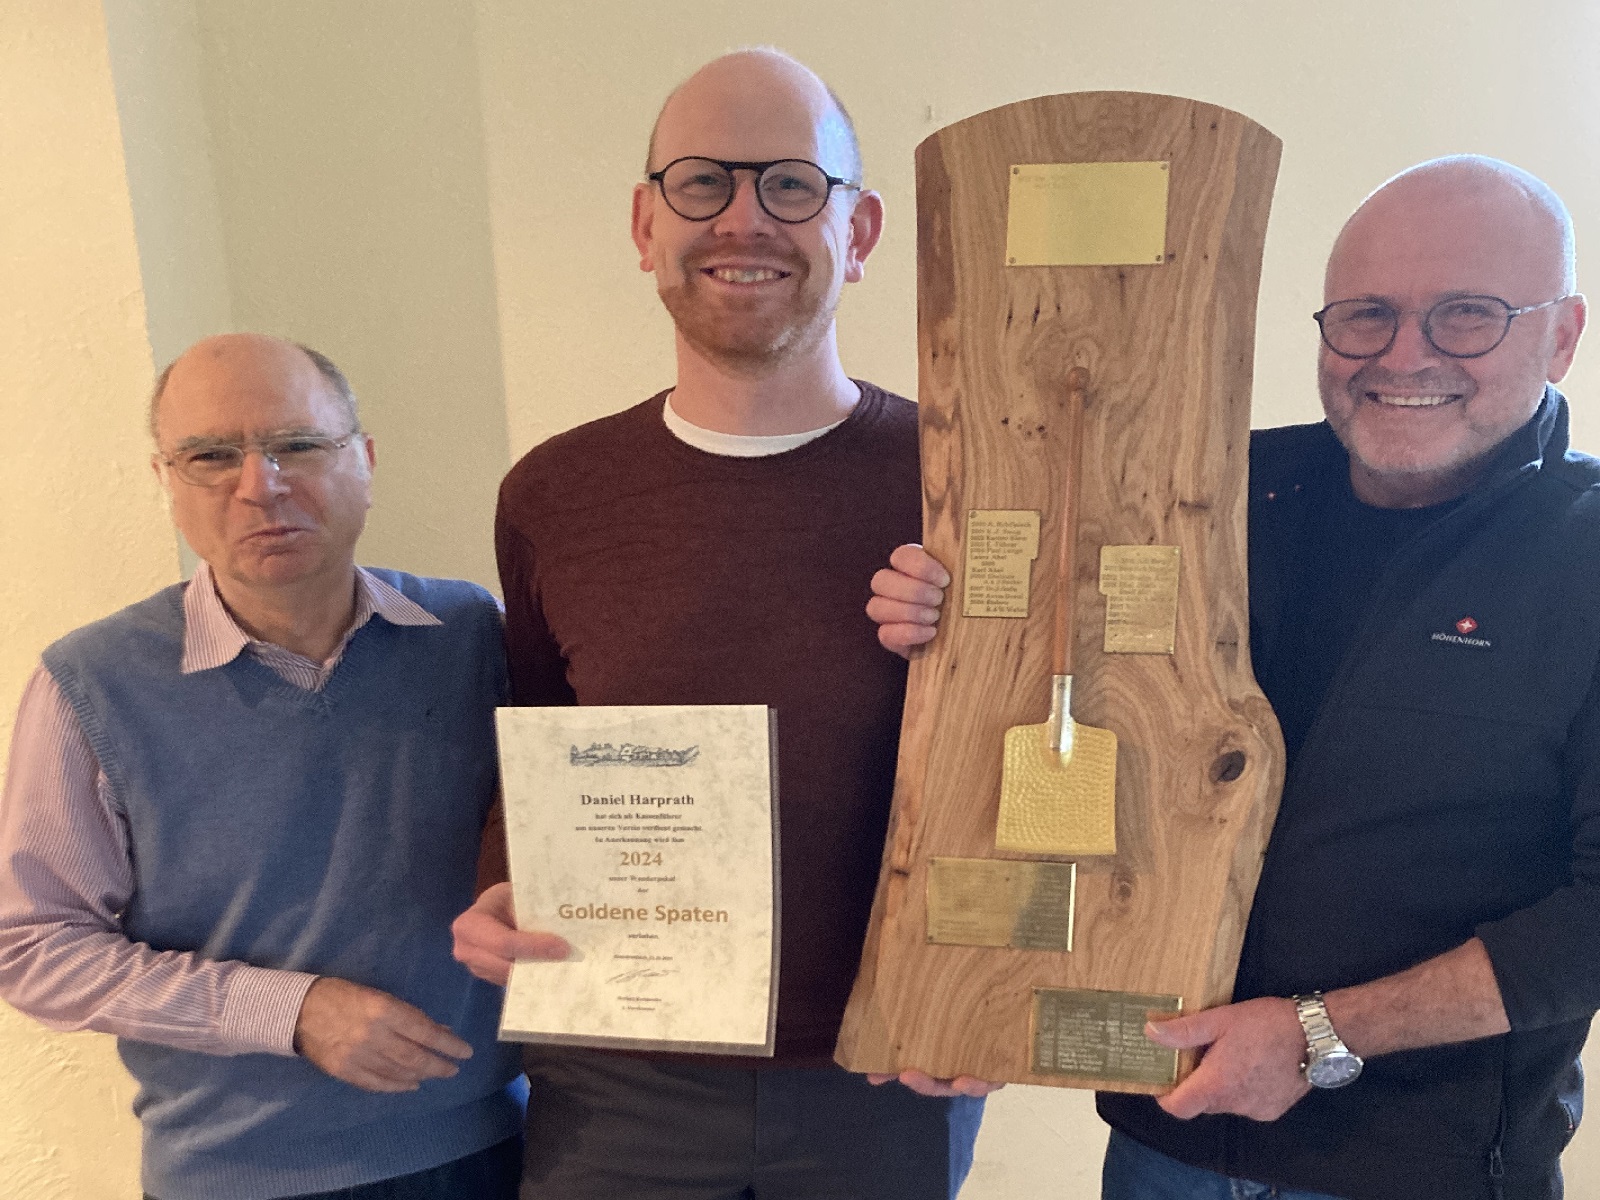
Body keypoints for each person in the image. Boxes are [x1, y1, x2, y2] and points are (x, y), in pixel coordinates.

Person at [867, 156, 1595, 1200]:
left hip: (1417, 1171)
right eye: (1364, 315)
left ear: (1560, 333)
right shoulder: (1213, 501)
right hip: (1162, 1145)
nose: (1404, 355)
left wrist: (1316, 1037)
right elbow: (1061, 719)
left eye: (1466, 315)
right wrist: (945, 621)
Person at [450, 48, 987, 1200]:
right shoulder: (552, 494)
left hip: (890, 1066)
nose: (743, 218)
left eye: (792, 185)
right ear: (645, 224)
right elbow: (536, 729)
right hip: (614, 1071)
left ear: (862, 229)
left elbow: (1051, 743)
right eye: (702, 183)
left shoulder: (967, 480)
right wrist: (507, 880)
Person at [0, 333, 527, 1200]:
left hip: (497, 1149)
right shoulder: (92, 682)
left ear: (363, 459)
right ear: (166, 481)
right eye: (211, 456)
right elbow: (34, 945)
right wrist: (292, 1011)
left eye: (297, 445)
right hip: (236, 1177)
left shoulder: (473, 634)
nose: (260, 486)